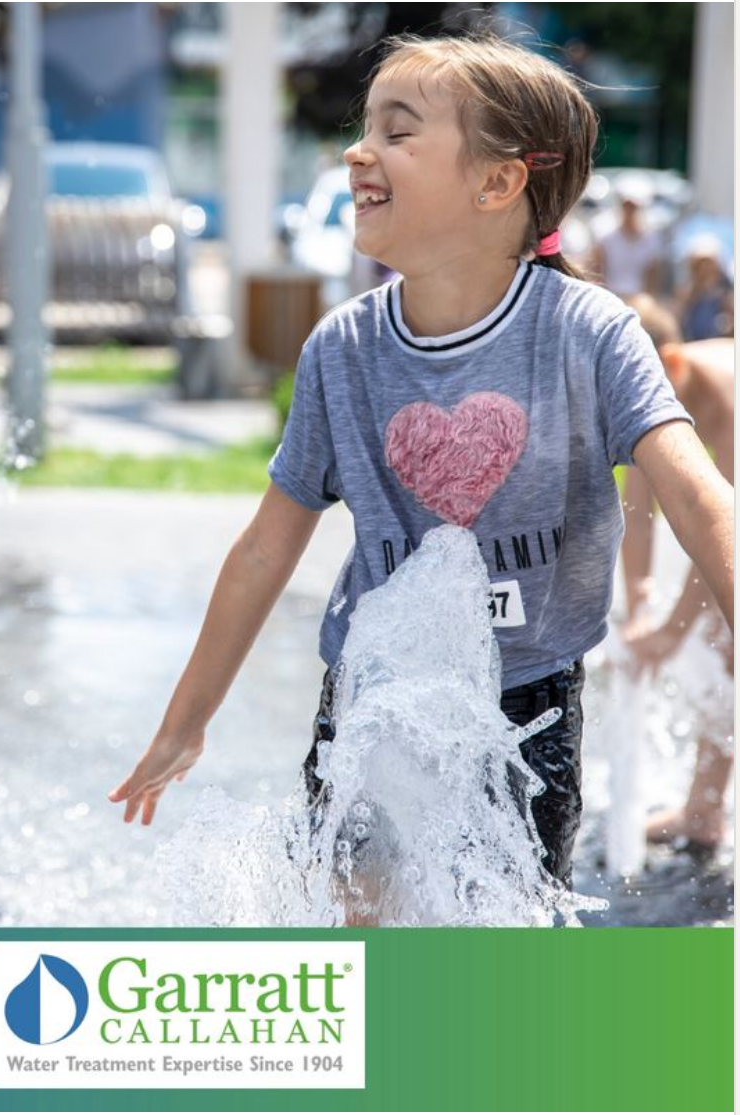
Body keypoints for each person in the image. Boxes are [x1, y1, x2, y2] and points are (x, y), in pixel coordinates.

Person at [109, 34, 734, 920]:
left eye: (397, 134)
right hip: (372, 693)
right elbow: (263, 550)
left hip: (530, 704)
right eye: (363, 128)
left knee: (500, 932)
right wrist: (186, 720)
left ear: (496, 184)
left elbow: (698, 493)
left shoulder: (587, 332)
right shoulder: (344, 349)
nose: (359, 151)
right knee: (358, 910)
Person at [621, 295, 734, 853]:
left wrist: (673, 628)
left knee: (728, 637)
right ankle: (703, 812)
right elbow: (637, 516)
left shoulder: (727, 395)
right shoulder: (654, 394)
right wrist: (639, 601)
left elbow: (723, 536)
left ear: (671, 364)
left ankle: (705, 811)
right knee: (717, 638)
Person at [590, 180, 665, 300]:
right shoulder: (606, 237)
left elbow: (653, 277)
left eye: (634, 207)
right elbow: (597, 273)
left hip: (641, 300)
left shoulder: (652, 239)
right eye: (626, 206)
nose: (630, 211)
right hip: (609, 298)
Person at [675, 236, 733, 342]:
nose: (705, 268)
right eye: (701, 264)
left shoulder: (725, 292)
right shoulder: (687, 292)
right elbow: (680, 320)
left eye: (709, 264)